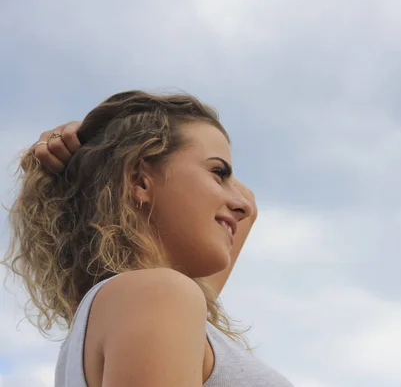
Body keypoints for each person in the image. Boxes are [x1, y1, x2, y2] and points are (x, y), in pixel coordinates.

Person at [3, 90, 294, 386]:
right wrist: (105, 143)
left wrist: (99, 145)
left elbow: (248, 204)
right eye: (218, 172)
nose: (242, 206)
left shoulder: (136, 305)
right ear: (139, 180)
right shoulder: (160, 295)